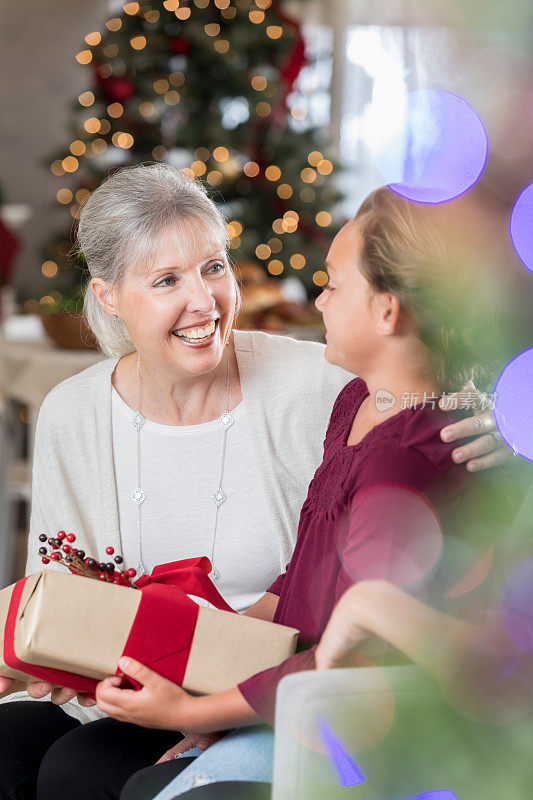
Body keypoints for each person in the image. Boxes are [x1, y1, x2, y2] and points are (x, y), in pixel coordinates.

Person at [0, 170, 506, 800]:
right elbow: (61, 589)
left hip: (279, 687)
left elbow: (426, 392)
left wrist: (493, 423)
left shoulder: (325, 386)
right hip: (154, 683)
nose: (205, 302)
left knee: (77, 773)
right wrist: (36, 649)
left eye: (214, 267)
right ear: (108, 296)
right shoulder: (72, 414)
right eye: (166, 281)